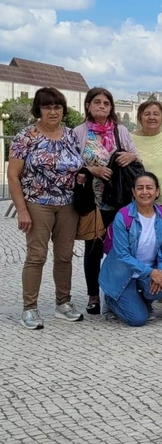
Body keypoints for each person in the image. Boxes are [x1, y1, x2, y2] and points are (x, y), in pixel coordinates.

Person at [9, 88, 84, 330]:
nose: (53, 111)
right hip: (37, 204)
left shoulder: (71, 135)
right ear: (38, 109)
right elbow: (12, 175)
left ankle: (63, 303)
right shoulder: (25, 137)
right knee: (36, 257)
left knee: (64, 256)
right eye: (47, 107)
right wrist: (22, 210)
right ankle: (29, 308)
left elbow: (77, 165)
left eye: (57, 107)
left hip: (68, 205)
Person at [73, 87, 140, 315]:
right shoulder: (79, 132)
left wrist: (131, 156)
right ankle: (93, 295)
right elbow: (71, 163)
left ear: (111, 107)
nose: (102, 106)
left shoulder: (120, 131)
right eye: (97, 102)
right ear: (88, 106)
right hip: (93, 200)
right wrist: (92, 169)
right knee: (93, 248)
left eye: (106, 103)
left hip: (119, 199)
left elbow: (135, 157)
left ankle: (116, 291)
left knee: (120, 247)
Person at [98, 173, 162, 327]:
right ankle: (111, 300)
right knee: (138, 320)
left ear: (157, 191)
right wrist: (151, 273)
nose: (144, 192)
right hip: (123, 274)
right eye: (140, 188)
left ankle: (142, 301)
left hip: (147, 271)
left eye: (149, 188)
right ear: (133, 192)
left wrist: (160, 271)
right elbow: (122, 255)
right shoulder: (123, 216)